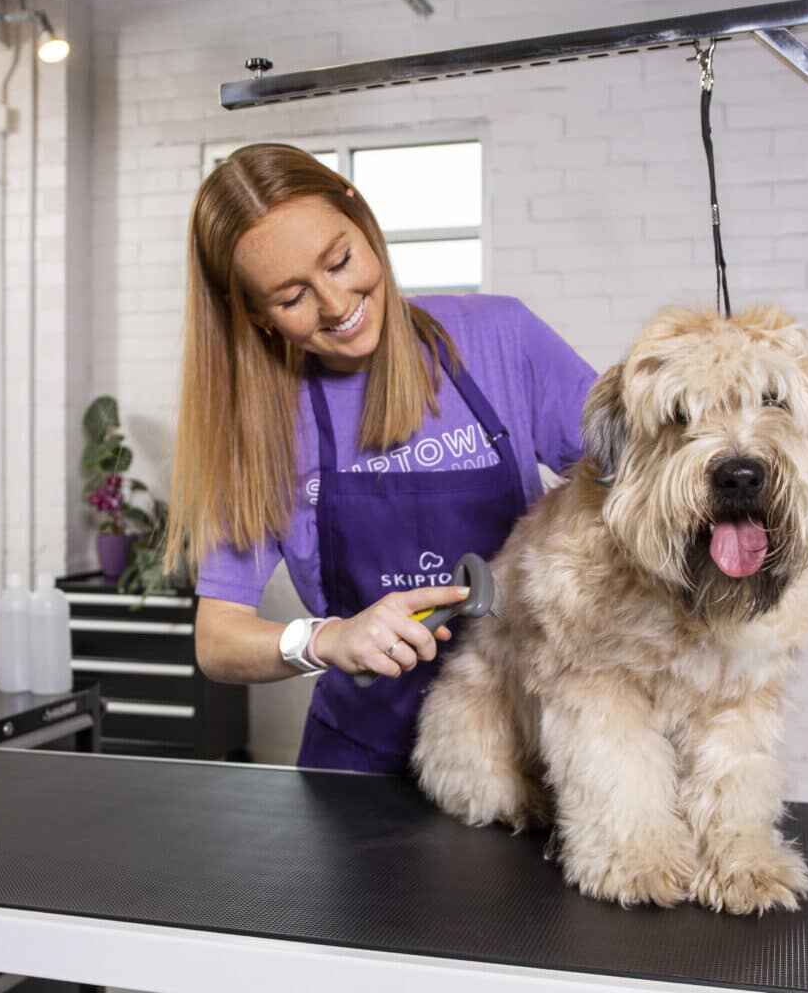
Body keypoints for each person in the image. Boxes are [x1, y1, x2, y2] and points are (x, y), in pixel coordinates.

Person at [165, 143, 597, 774]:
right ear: (255, 318)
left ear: (361, 219)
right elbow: (218, 640)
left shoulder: (500, 336)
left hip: (522, 750)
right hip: (359, 762)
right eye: (292, 299)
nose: (337, 306)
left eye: (339, 261)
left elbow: (634, 483)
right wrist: (327, 639)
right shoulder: (263, 424)